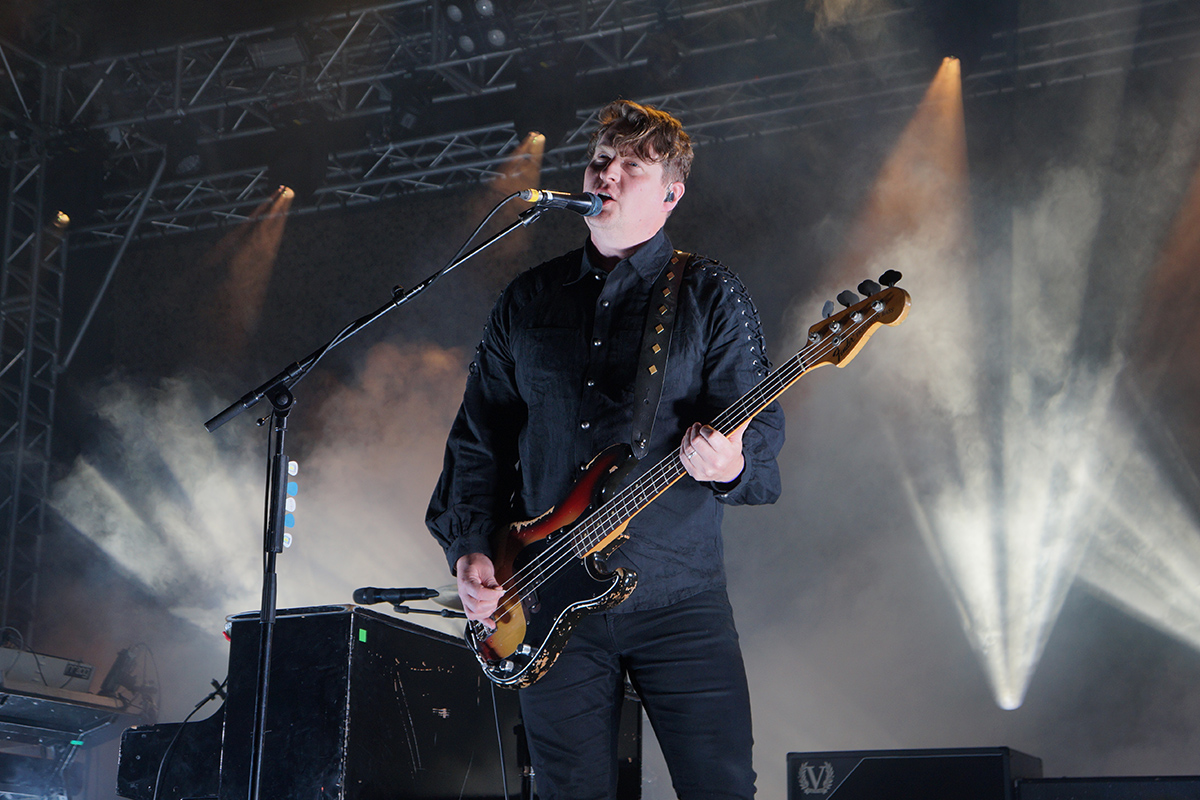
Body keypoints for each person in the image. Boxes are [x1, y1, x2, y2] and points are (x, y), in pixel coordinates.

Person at [427, 99, 785, 800]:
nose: (606, 174)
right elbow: (479, 439)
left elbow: (761, 439)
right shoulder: (527, 299)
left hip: (679, 598)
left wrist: (732, 465)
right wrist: (470, 549)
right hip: (544, 596)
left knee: (720, 786)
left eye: (631, 166)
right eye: (599, 160)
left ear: (672, 194)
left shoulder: (711, 296)